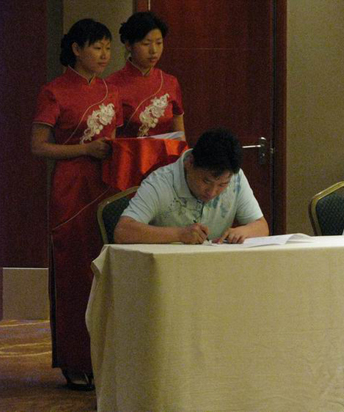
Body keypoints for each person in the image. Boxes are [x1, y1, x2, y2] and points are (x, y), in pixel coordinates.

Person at [31, 19, 122, 390]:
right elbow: (39, 147)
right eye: (97, 47)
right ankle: (74, 360)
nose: (104, 55)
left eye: (108, 47)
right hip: (71, 190)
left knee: (108, 272)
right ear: (76, 49)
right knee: (74, 273)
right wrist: (85, 149)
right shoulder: (54, 91)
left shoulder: (111, 90)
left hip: (108, 186)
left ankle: (105, 358)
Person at [114, 128, 269, 244]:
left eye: (222, 185)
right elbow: (123, 231)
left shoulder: (236, 178)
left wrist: (244, 231)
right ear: (190, 163)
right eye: (206, 181)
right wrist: (179, 235)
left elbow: (262, 227)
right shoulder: (160, 182)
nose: (212, 192)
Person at [106, 11, 186, 140]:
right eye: (146, 44)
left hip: (165, 152)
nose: (154, 50)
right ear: (128, 45)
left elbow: (179, 135)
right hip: (128, 152)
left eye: (159, 43)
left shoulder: (170, 82)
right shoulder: (111, 85)